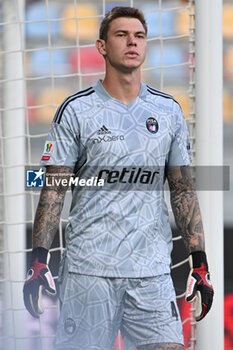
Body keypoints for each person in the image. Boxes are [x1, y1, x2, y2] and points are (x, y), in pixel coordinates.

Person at [23, 6, 214, 350]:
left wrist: (199, 261)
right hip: (88, 273)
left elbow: (183, 190)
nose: (132, 42)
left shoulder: (168, 111)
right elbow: (54, 189)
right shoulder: (76, 110)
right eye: (121, 35)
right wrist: (39, 258)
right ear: (101, 46)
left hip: (152, 272)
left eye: (139, 36)